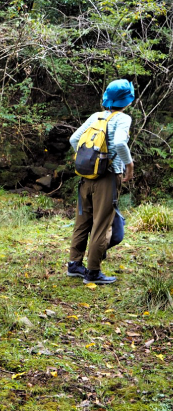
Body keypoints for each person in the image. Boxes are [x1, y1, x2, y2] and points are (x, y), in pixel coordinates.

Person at [67, 79, 135, 285]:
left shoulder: (95, 117)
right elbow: (121, 142)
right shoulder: (123, 119)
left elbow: (73, 140)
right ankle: (93, 272)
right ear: (127, 100)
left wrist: (88, 162)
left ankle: (74, 265)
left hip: (85, 177)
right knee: (101, 224)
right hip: (107, 177)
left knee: (82, 221)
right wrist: (129, 164)